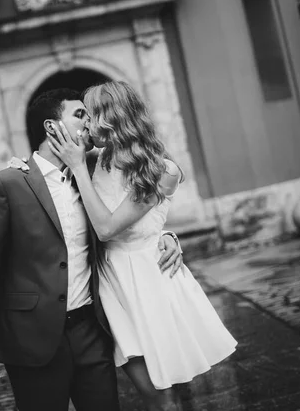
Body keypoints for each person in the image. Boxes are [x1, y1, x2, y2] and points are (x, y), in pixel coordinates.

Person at [0, 88, 183, 411]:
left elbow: (133, 212)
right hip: (31, 338)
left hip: (92, 332)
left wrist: (166, 236)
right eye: (80, 115)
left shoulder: (92, 172)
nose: (90, 122)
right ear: (52, 127)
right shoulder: (7, 184)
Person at [46, 81, 238, 411]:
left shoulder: (162, 170)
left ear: (111, 117)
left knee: (165, 395)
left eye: (89, 115)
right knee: (151, 392)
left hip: (151, 280)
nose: (87, 124)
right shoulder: (96, 159)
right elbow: (46, 169)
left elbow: (107, 228)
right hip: (111, 283)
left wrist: (165, 236)